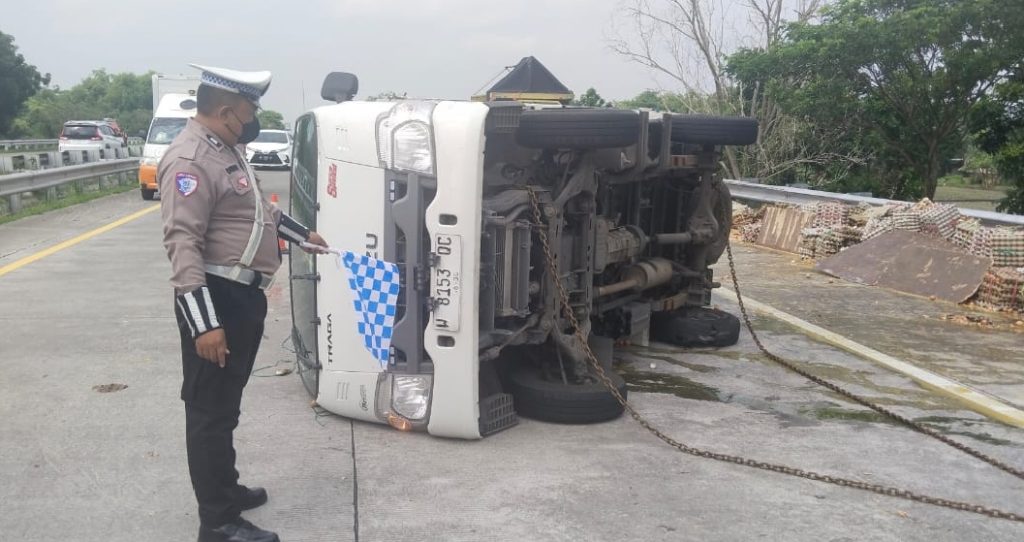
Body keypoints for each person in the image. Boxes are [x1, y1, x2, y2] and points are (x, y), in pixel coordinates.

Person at [159, 64, 327, 542]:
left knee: (225, 406)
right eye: (251, 108)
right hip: (216, 299)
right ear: (228, 110)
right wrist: (203, 326)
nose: (254, 116)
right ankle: (217, 522)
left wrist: (301, 236)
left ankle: (226, 490)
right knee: (209, 411)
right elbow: (183, 245)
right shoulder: (189, 160)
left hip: (242, 296)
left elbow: (258, 210)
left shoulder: (226, 149)